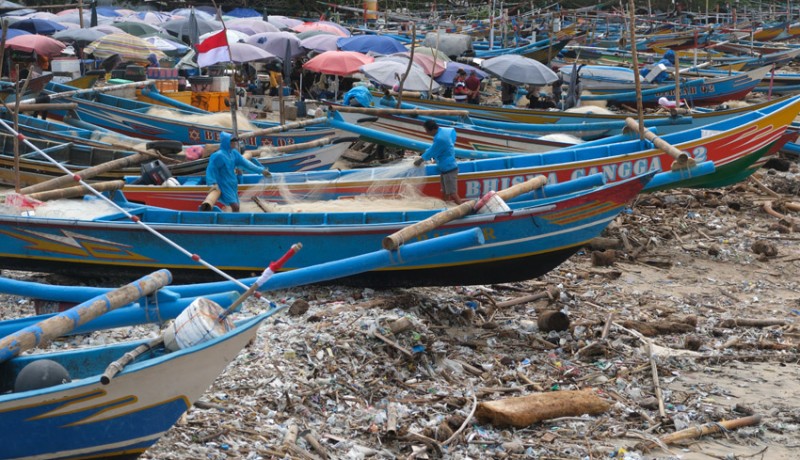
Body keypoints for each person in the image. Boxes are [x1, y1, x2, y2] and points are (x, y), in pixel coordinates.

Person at [205, 132, 271, 213]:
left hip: (233, 183)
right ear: (227, 143)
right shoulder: (218, 155)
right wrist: (213, 183)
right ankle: (234, 222)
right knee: (235, 206)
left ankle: (234, 219)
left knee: (237, 205)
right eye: (232, 142)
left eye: (235, 142)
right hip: (224, 184)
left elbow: (246, 164)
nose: (235, 143)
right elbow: (211, 169)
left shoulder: (234, 153)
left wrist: (261, 170)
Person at [413, 119, 465, 204]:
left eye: (427, 131)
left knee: (452, 193)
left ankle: (464, 209)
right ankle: (444, 207)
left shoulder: (440, 139)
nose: (427, 133)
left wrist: (421, 159)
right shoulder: (443, 132)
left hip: (449, 169)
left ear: (433, 130)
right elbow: (435, 148)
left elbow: (432, 151)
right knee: (445, 192)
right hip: (445, 168)